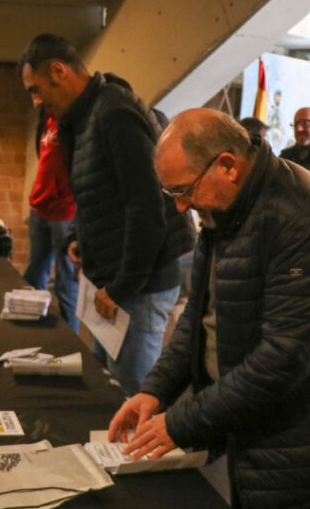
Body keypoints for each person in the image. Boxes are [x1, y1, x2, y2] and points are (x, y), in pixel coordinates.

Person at [108, 109, 310, 509]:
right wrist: (154, 388)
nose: (181, 206)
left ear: (227, 164)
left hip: (308, 440)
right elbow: (200, 318)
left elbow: (284, 359)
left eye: (183, 190)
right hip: (260, 430)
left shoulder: (306, 215)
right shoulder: (226, 205)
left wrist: (179, 423)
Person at [18, 33, 194, 394]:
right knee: (108, 389)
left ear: (59, 71)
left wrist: (119, 288)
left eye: (36, 89)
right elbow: (96, 195)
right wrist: (77, 237)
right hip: (113, 281)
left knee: (130, 397)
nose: (36, 102)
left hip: (138, 285)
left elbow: (146, 207)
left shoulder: (114, 112)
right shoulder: (82, 119)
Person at [23, 107, 79, 333]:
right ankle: (36, 334)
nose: (35, 100)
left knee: (66, 284)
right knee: (33, 275)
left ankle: (69, 345)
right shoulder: (45, 118)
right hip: (40, 208)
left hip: (65, 212)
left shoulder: (72, 118)